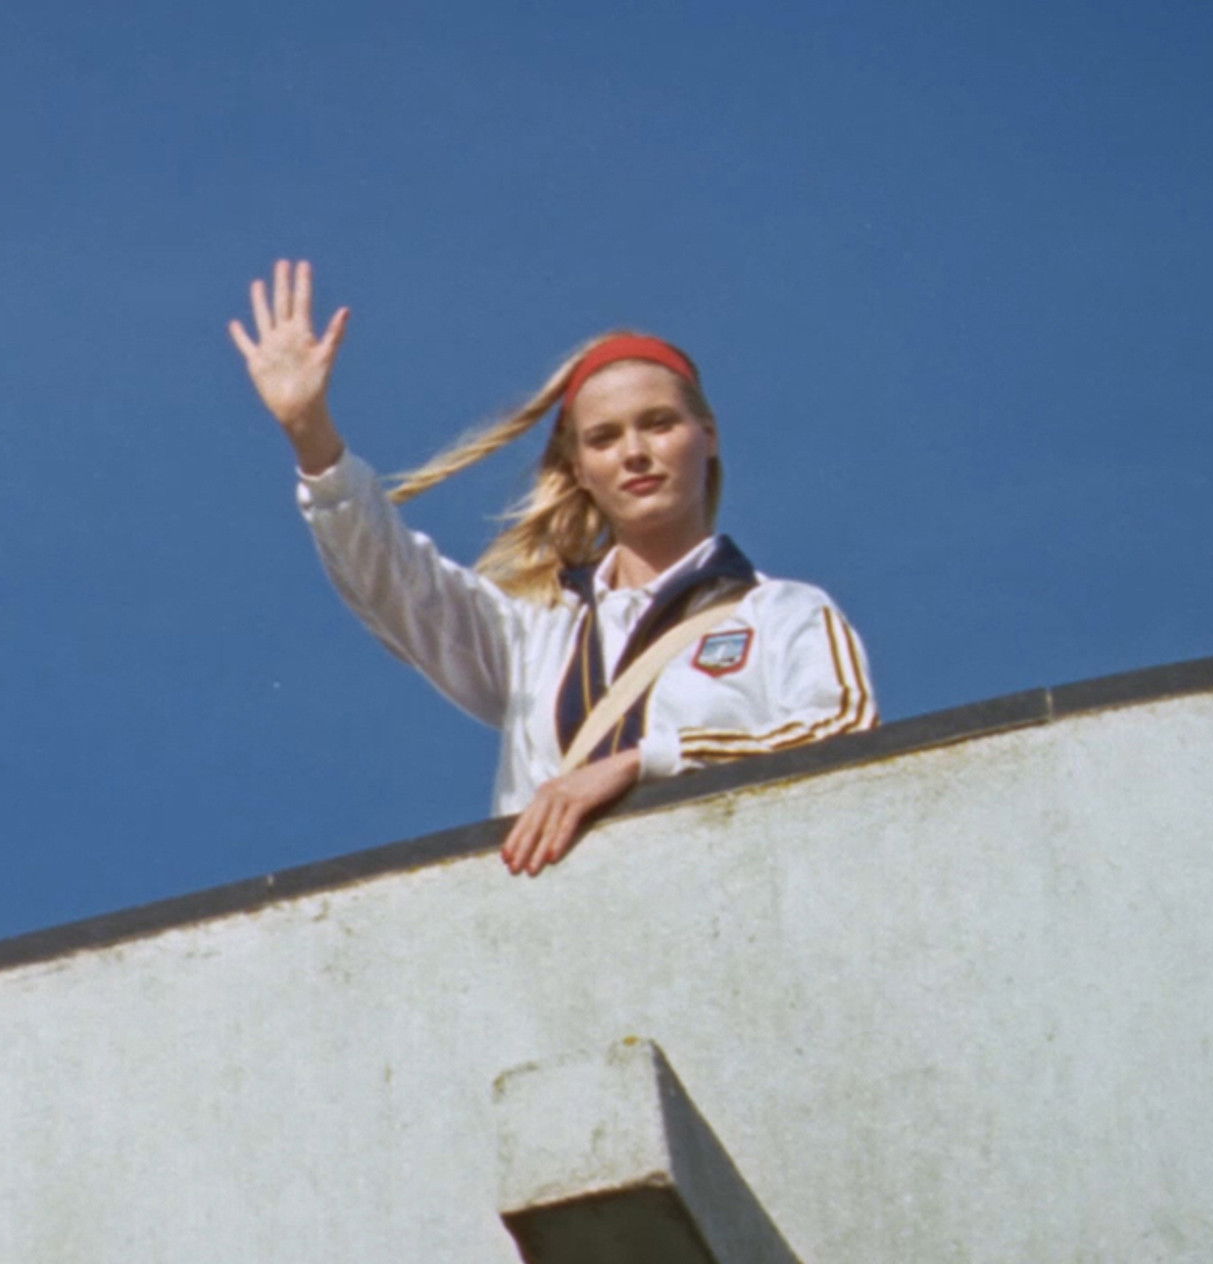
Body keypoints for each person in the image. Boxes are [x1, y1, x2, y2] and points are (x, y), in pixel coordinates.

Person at [229, 260, 877, 877]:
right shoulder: (537, 635)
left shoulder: (783, 613)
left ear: (707, 435)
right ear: (579, 470)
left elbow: (847, 738)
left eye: (659, 425)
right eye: (604, 438)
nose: (635, 453)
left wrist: (643, 762)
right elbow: (397, 584)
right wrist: (311, 433)